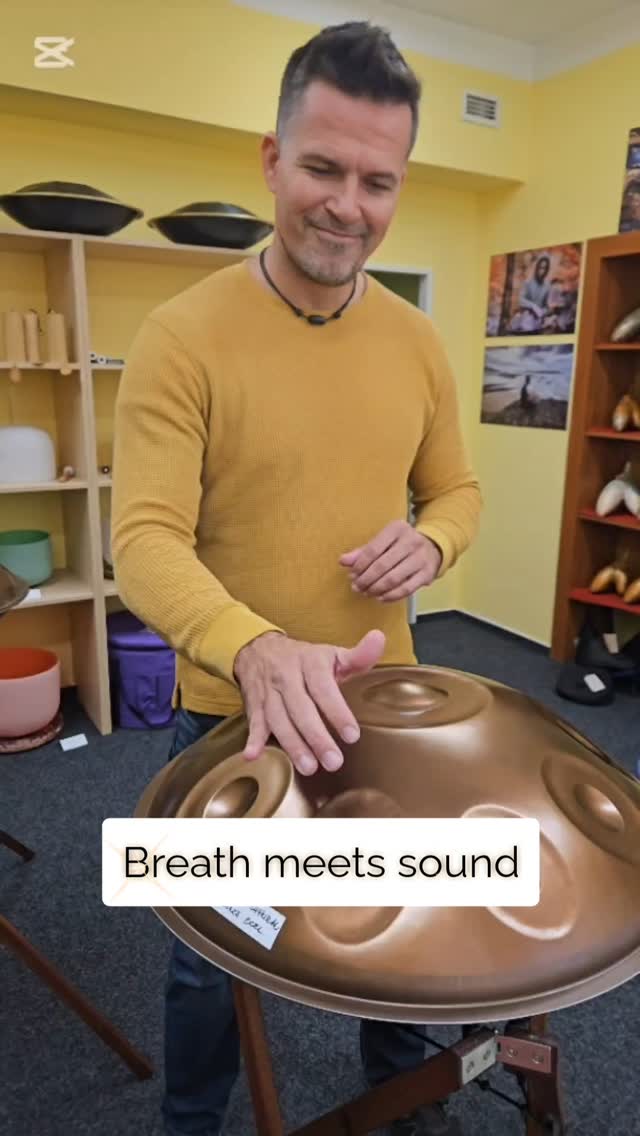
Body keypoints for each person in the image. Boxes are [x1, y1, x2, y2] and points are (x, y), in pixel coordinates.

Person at [111, 21, 481, 1136]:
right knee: (216, 958)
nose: (347, 204)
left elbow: (455, 491)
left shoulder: (417, 341)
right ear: (270, 160)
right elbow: (143, 540)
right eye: (323, 168)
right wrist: (256, 644)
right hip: (235, 717)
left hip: (385, 701)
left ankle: (400, 1099)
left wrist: (436, 543)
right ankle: (191, 1119)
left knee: (402, 923)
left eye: (378, 180)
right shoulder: (180, 336)